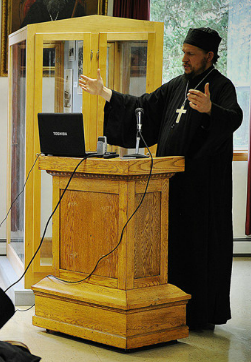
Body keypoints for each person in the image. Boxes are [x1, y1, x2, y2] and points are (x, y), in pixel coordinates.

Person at [79, 27, 243, 330]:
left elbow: (234, 118)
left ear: (208, 56)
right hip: (169, 184)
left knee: (198, 248)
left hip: (203, 189)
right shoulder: (177, 85)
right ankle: (169, 307)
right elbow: (144, 106)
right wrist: (105, 93)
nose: (184, 58)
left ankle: (200, 315)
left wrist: (210, 110)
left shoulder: (221, 86)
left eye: (190, 54)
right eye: (183, 52)